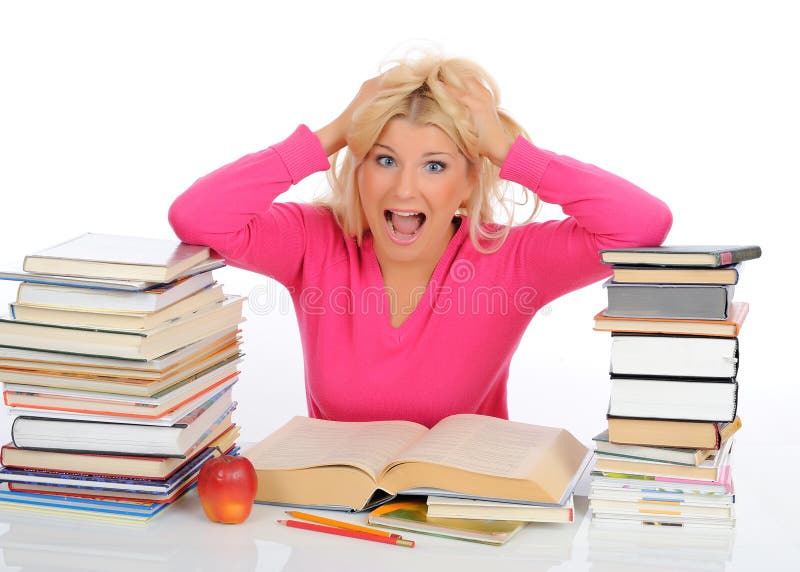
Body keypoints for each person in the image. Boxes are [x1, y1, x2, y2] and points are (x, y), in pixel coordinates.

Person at [169, 55, 672, 428]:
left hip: (466, 526)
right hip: (332, 528)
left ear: (469, 181)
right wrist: (334, 132)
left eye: (435, 165)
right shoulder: (313, 241)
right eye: (384, 160)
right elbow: (198, 217)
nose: (404, 189)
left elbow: (640, 225)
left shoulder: (512, 259)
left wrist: (506, 149)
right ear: (359, 167)